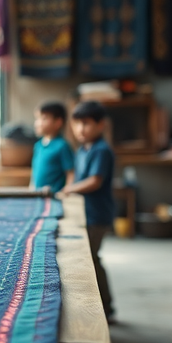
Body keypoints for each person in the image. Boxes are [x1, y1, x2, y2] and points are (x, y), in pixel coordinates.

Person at [60, 100, 116, 322]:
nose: (81, 129)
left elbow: (94, 181)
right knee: (91, 259)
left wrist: (69, 189)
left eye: (87, 124)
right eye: (77, 124)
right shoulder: (83, 149)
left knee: (91, 259)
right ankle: (104, 307)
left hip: (97, 215)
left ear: (101, 125)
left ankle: (106, 309)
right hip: (86, 213)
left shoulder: (102, 150)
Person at [30, 100, 74, 195]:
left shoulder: (62, 146)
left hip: (54, 198)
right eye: (37, 119)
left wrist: (65, 192)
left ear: (58, 122)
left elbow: (70, 173)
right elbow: (34, 173)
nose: (38, 123)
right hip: (37, 196)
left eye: (44, 119)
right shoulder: (38, 146)